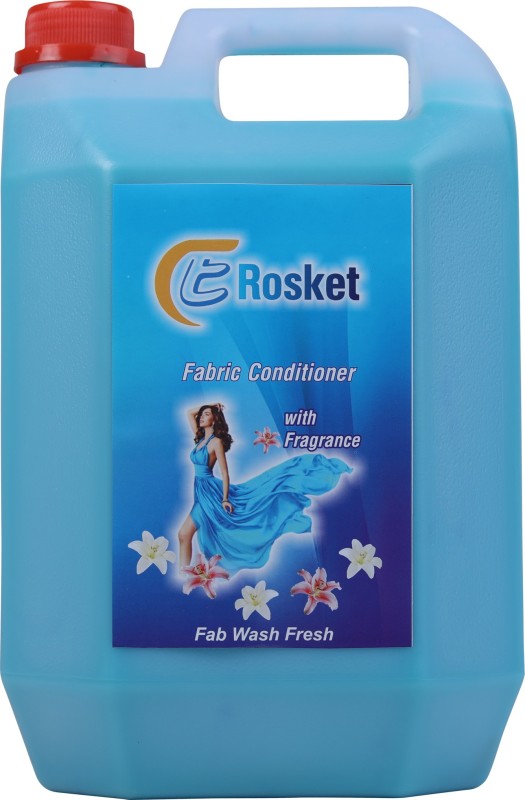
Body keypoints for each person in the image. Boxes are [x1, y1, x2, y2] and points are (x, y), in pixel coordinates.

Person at [178, 403, 351, 574]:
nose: (201, 417)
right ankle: (183, 575)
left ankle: (183, 575)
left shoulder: (216, 442)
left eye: (206, 414)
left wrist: (224, 499)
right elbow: (189, 412)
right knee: (184, 535)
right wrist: (211, 406)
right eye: (202, 414)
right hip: (200, 491)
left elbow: (224, 472)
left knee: (184, 534)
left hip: (210, 493)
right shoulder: (200, 439)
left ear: (215, 419)